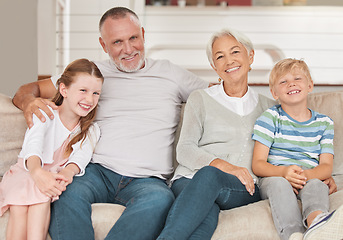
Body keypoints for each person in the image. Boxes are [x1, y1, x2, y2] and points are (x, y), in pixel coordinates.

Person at [12, 7, 209, 240]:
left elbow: (219, 97)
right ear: (104, 45)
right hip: (97, 172)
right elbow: (27, 90)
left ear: (143, 35)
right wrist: (28, 103)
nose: (128, 49)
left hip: (149, 180)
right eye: (117, 42)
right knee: (64, 193)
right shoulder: (91, 75)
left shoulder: (171, 73)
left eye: (133, 38)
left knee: (161, 201)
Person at [157, 29, 337, 240]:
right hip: (190, 179)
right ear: (214, 66)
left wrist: (321, 177)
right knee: (204, 218)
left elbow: (292, 145)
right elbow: (185, 150)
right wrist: (228, 167)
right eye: (220, 56)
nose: (229, 61)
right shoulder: (200, 99)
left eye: (235, 52)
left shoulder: (271, 109)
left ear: (250, 57)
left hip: (242, 186)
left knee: (209, 177)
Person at [0, 58, 103, 240]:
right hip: (26, 172)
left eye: (96, 93)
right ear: (64, 90)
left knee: (41, 199)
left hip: (50, 179)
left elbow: (78, 160)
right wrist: (38, 173)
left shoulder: (91, 130)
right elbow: (33, 148)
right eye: (83, 91)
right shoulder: (45, 114)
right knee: (20, 208)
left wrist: (66, 175)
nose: (89, 99)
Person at [252, 58, 343, 240]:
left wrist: (304, 177)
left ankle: (317, 224)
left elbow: (326, 167)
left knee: (318, 184)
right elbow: (258, 164)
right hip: (275, 177)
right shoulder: (270, 118)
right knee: (280, 184)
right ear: (274, 92)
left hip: (308, 176)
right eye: (283, 81)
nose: (291, 83)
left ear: (310, 85)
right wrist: (284, 173)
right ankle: (294, 234)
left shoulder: (324, 123)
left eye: (297, 79)